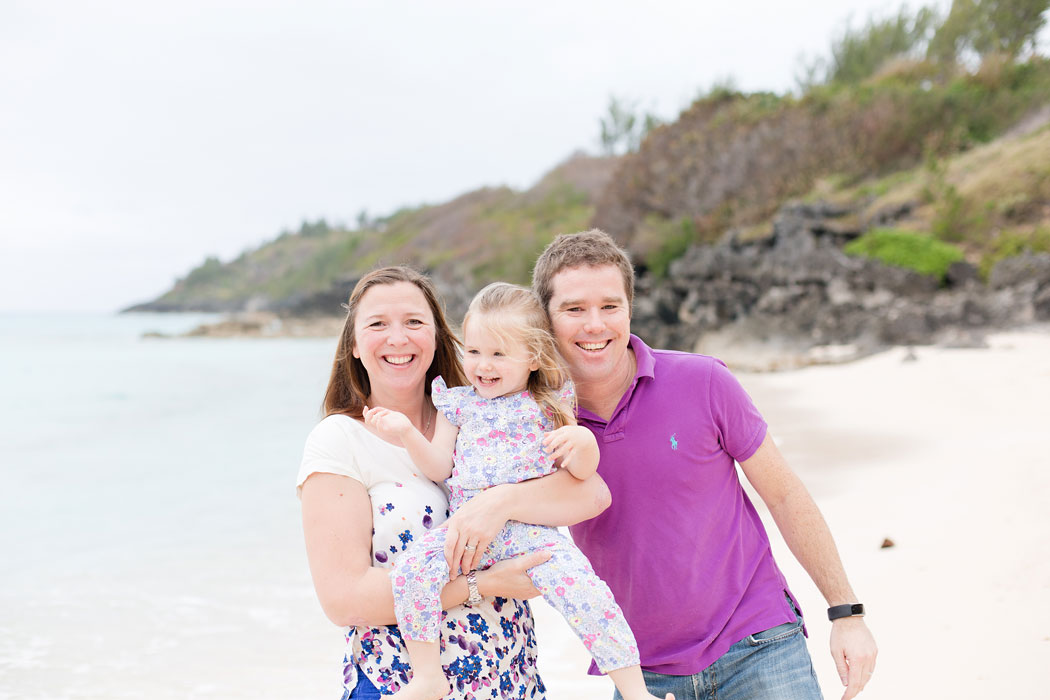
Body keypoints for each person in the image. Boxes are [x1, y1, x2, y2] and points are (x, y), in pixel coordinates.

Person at [530, 230, 879, 700]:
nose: (595, 324)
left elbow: (784, 494)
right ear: (545, 319)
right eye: (574, 309)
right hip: (641, 675)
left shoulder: (704, 381)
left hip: (759, 646)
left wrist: (847, 614)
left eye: (610, 306)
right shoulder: (536, 424)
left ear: (629, 309)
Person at [298, 266, 613, 699]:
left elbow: (593, 494)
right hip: (400, 681)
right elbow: (345, 600)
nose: (397, 338)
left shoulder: (483, 409)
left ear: (437, 336)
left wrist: (500, 502)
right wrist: (482, 586)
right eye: (377, 324)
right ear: (353, 344)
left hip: (510, 676)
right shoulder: (339, 441)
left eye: (414, 322)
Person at [363, 283, 671, 700]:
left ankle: (636, 692)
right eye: (473, 352)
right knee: (412, 573)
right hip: (466, 533)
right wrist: (405, 433)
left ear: (534, 359)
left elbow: (582, 475)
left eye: (498, 354)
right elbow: (439, 466)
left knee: (587, 593)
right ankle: (427, 675)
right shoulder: (460, 405)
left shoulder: (548, 404)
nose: (482, 366)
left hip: (532, 534)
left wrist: (584, 445)